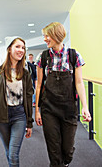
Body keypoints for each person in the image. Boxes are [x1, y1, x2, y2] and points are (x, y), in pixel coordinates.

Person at [35, 22, 91, 167]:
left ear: (56, 35)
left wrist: (85, 107)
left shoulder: (74, 55)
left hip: (69, 109)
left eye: (47, 35)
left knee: (67, 151)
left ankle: (64, 162)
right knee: (54, 151)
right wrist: (37, 111)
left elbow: (79, 83)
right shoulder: (43, 57)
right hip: (49, 109)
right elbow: (39, 85)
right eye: (44, 36)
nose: (45, 39)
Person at [0, 36, 34, 167]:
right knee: (9, 152)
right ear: (9, 49)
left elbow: (28, 98)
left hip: (19, 116)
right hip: (1, 116)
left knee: (13, 153)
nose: (21, 50)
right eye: (17, 46)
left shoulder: (26, 73)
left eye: (23, 48)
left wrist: (29, 123)